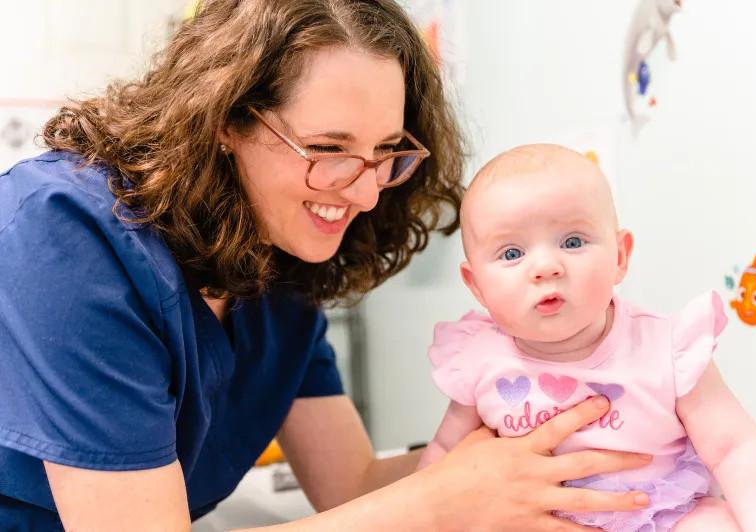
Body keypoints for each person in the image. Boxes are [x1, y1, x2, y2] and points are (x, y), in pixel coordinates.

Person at [0, 2, 657, 530]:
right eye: (327, 148)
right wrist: (444, 500)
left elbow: (353, 485)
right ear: (225, 118)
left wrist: (547, 445)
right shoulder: (64, 235)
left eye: (386, 151)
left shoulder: (273, 263)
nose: (367, 193)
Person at [418, 144, 756, 531]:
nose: (546, 267)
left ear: (620, 256)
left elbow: (735, 448)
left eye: (572, 242)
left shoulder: (668, 348)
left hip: (665, 514)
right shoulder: (476, 358)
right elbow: (444, 460)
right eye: (512, 252)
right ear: (476, 285)